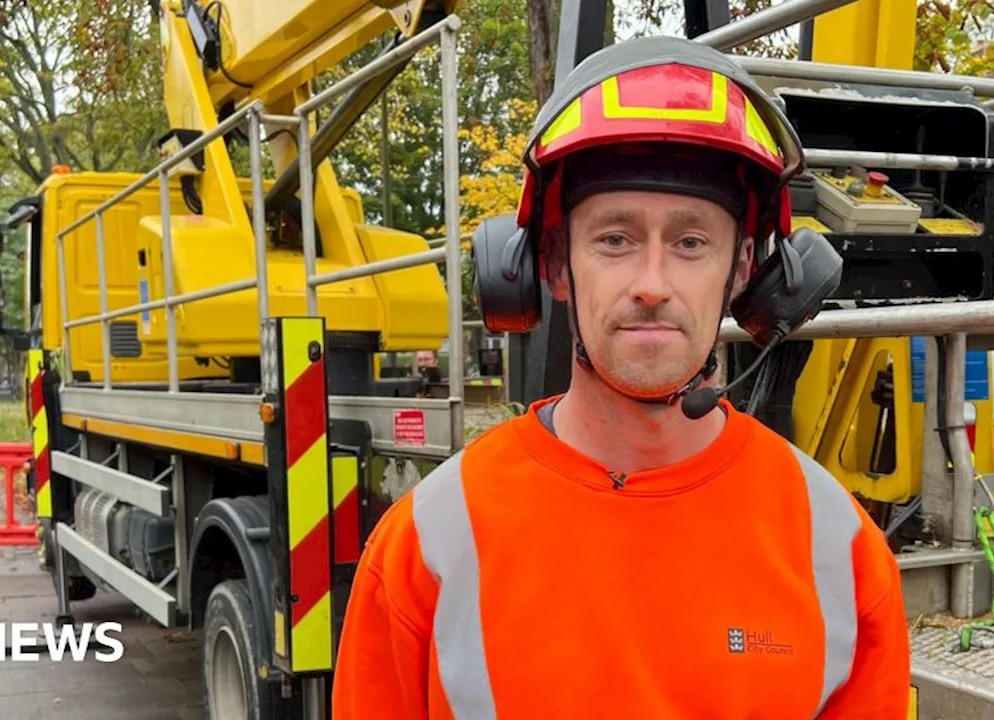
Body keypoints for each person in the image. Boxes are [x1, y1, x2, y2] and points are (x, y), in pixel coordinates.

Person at [331, 36, 909, 719]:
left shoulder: (838, 551)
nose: (652, 284)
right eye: (615, 239)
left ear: (748, 269)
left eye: (691, 242)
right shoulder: (426, 544)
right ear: (547, 264)